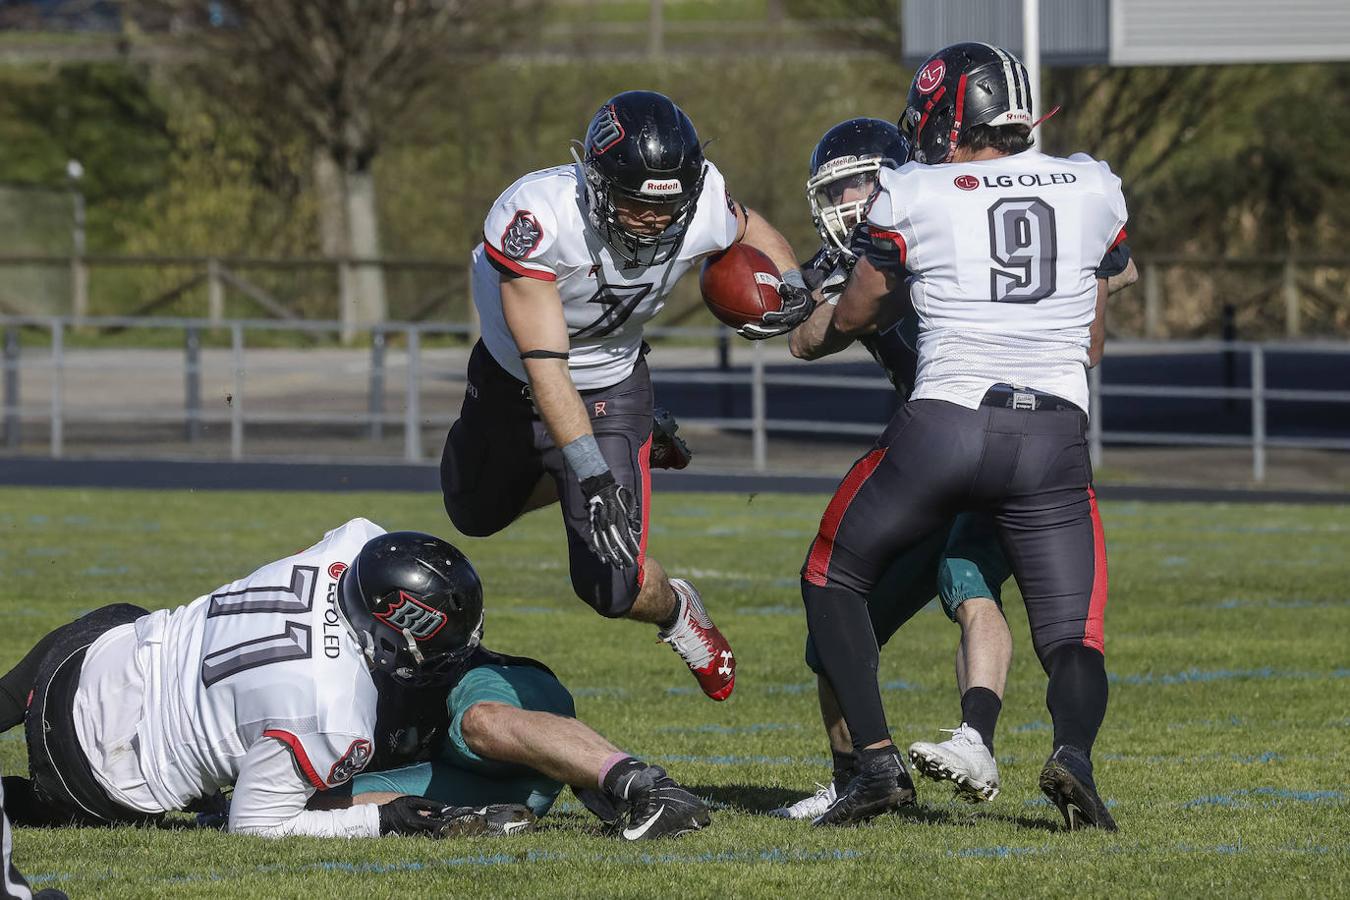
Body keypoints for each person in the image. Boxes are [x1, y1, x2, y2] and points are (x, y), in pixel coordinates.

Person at [798, 42, 1131, 831]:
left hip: (946, 423)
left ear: (950, 117)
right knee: (1073, 633)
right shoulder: (1092, 183)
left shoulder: (914, 189)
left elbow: (854, 314)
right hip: (1054, 434)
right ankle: (1074, 756)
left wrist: (807, 333)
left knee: (829, 574)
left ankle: (872, 767)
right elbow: (1091, 344)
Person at [440, 89, 811, 701]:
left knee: (612, 586)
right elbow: (548, 371)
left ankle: (679, 615)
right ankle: (614, 461)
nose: (657, 222)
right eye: (637, 205)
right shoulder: (539, 220)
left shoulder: (700, 202)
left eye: (669, 208)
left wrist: (790, 279)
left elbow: (749, 227)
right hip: (520, 379)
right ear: (596, 182)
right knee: (471, 514)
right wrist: (589, 476)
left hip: (613, 384)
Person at [771, 117, 1015, 817]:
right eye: (838, 189)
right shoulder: (856, 258)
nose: (848, 201)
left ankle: (979, 738)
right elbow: (793, 329)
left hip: (998, 441)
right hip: (926, 456)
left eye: (859, 184)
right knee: (835, 630)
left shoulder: (947, 230)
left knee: (965, 581)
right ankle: (859, 779)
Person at [0, 520, 533, 839]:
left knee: (130, 620)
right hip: (94, 778)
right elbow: (255, 825)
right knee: (55, 803)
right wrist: (383, 820)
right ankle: (22, 801)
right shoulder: (334, 709)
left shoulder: (351, 547)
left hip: (80, 658)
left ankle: (8, 696)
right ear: (381, 634)